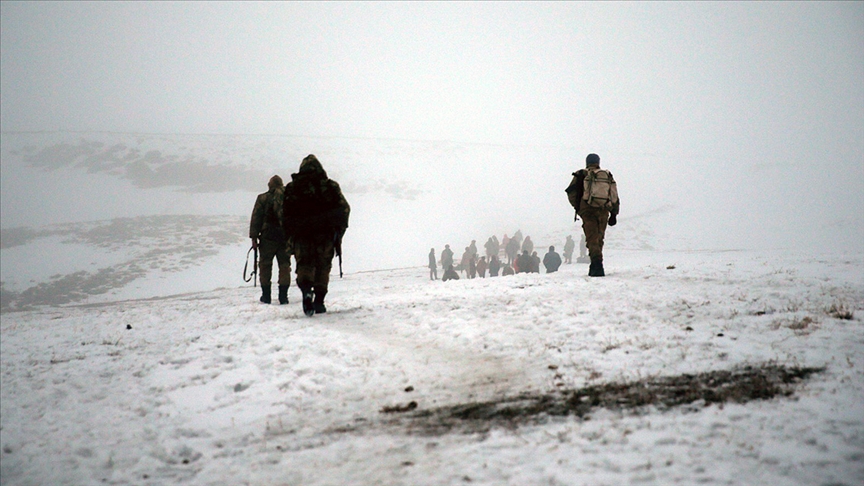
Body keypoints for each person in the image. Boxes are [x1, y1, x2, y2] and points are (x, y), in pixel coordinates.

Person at [282, 155, 350, 316]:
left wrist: (291, 234)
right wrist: (339, 232)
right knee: (323, 266)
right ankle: (319, 301)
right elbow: (344, 209)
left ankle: (306, 290)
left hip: (302, 235)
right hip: (325, 234)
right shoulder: (330, 186)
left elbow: (284, 214)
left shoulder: (292, 188)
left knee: (304, 265)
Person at [565, 153, 619, 276]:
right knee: (599, 237)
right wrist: (614, 213)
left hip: (587, 210)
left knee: (591, 238)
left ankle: (597, 266)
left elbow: (571, 192)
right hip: (603, 210)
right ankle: (597, 264)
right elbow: (614, 195)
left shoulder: (581, 174)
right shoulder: (606, 176)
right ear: (598, 162)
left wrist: (579, 208)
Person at [250, 175, 292, 304]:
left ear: (270, 185)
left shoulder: (262, 198)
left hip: (268, 237)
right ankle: (283, 296)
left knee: (265, 265)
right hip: (284, 236)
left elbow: (256, 218)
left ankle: (266, 295)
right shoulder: (288, 197)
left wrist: (254, 237)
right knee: (284, 266)